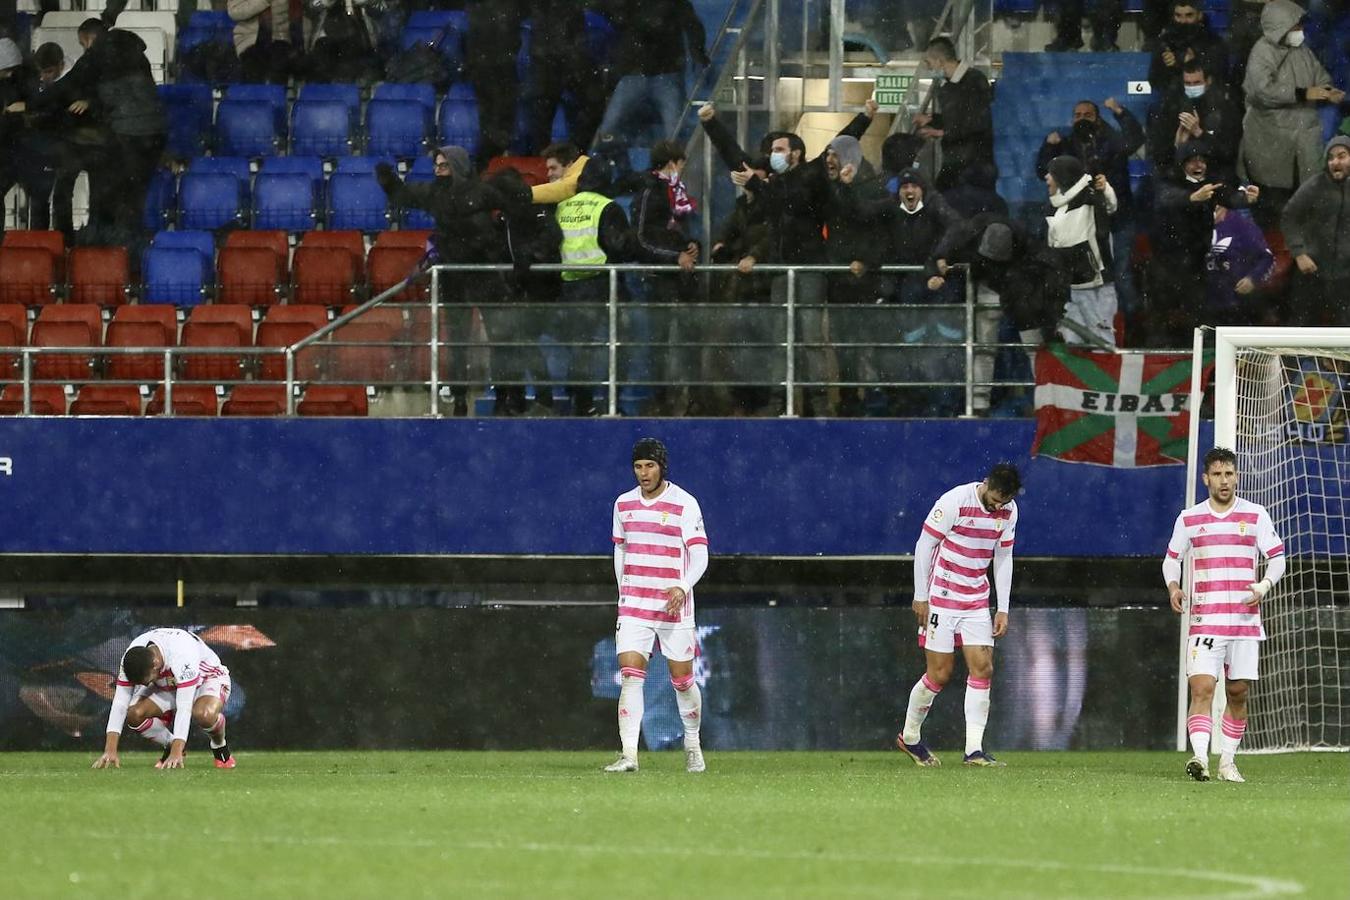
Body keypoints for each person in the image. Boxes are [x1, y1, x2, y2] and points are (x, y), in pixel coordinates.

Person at [1163, 447, 1286, 783]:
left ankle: (1227, 762)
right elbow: (1171, 558)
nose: (1224, 480)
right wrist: (1174, 587)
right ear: (1206, 479)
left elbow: (1277, 558)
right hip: (1205, 620)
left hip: (1245, 622)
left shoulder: (1256, 515)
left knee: (1237, 693)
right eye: (1217, 474)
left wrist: (1263, 585)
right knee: (1202, 688)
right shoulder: (1189, 518)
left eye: (1229, 474)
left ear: (1237, 477)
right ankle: (1200, 758)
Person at [897, 462, 1021, 768]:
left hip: (976, 600)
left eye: (1004, 501)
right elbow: (925, 545)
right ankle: (909, 737)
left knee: (983, 668)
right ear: (986, 484)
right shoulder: (955, 501)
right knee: (939, 674)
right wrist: (920, 595)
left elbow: (1003, 557)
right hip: (942, 596)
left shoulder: (1009, 511)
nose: (998, 505)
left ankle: (974, 751)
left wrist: (1002, 607)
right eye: (995, 498)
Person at [376, 146, 508, 415]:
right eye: (436, 165)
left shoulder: (480, 191)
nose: (438, 170)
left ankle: (504, 396)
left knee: (498, 337)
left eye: (443, 165)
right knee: (458, 342)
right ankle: (460, 398)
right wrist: (389, 183)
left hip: (483, 272)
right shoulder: (436, 193)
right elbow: (404, 195)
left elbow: (512, 206)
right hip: (454, 275)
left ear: (458, 166)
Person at [606, 437, 709, 773]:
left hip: (673, 608)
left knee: (682, 681)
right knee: (631, 677)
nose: (644, 473)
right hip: (635, 605)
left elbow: (700, 555)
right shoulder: (623, 504)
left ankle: (692, 744)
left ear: (662, 466)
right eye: (638, 466)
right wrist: (624, 589)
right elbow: (620, 549)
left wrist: (682, 585)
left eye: (649, 465)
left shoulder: (685, 503)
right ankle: (629, 755)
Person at [1240, 0, 1344, 216]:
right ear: (1280, 26)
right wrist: (1303, 93)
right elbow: (1261, 91)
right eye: (1295, 26)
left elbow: (1320, 76)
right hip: (1272, 135)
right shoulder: (1262, 52)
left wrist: (1327, 91)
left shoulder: (1302, 50)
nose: (1300, 31)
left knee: (1307, 194)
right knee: (1275, 200)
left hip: (1305, 133)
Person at [92, 627, 235, 770]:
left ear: (155, 663)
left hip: (206, 679)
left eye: (146, 681)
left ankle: (219, 745)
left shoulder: (182, 654)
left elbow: (184, 707)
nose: (145, 685)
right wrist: (110, 750)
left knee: (204, 715)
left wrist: (176, 753)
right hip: (168, 683)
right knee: (134, 714)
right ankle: (171, 743)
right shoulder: (133, 657)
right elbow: (120, 702)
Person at [591, 0, 709, 152]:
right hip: (642, 74)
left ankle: (673, 170)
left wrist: (698, 52)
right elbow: (692, 24)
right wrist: (698, 53)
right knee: (608, 128)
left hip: (661, 74)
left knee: (674, 131)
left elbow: (692, 24)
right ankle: (608, 164)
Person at [1044, 155, 1118, 346]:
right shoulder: (1054, 209)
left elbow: (1110, 206)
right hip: (1071, 288)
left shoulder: (1091, 198)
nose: (1046, 177)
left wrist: (1105, 189)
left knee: (1102, 342)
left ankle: (1103, 376)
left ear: (1062, 177)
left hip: (1098, 287)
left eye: (1051, 174)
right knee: (1072, 341)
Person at [1280, 135, 1350, 326]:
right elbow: (1289, 217)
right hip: (1312, 270)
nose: (1335, 162)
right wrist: (1299, 253)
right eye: (1331, 157)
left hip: (1346, 275)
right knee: (1302, 326)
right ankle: (1301, 358)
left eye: (1341, 156)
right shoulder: (1314, 185)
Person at [912, 36, 994, 190]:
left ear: (939, 61)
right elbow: (956, 120)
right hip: (955, 161)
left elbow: (977, 123)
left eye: (929, 63)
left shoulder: (975, 81)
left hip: (974, 165)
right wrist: (931, 120)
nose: (929, 68)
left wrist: (941, 132)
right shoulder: (947, 88)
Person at [1147, 59, 1243, 177]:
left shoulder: (1224, 109)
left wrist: (1199, 133)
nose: (1192, 87)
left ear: (1208, 81)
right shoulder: (1171, 108)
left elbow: (1228, 153)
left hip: (1215, 175)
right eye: (1188, 83)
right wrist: (1178, 146)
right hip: (1178, 177)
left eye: (1197, 82)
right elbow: (1159, 153)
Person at [1148, 0, 1230, 95]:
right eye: (1178, 15)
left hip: (1208, 101)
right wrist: (1168, 67)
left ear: (1199, 15)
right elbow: (1154, 81)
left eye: (1189, 15)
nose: (1183, 21)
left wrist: (1191, 63)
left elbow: (1220, 76)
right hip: (1173, 102)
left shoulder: (1214, 42)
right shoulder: (1165, 43)